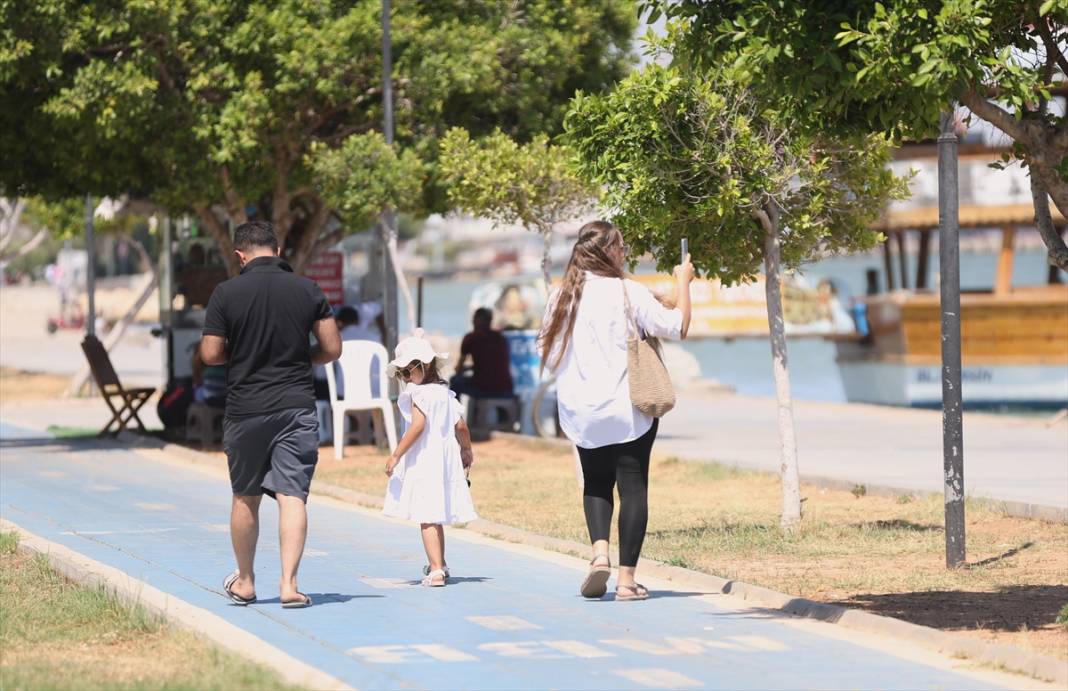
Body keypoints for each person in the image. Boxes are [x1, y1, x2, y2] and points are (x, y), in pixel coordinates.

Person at [538, 220, 693, 601]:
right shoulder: (626, 292)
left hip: (581, 411)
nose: (625, 253)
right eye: (621, 247)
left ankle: (599, 555)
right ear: (607, 251)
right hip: (628, 408)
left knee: (595, 481)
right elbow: (678, 327)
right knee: (633, 486)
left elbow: (547, 353)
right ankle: (626, 581)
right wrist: (684, 282)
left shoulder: (562, 297)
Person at [200, 220, 341, 609]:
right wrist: (302, 357)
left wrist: (243, 354)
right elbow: (332, 347)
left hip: (245, 410)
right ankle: (290, 585)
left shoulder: (226, 293)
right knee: (292, 495)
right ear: (278, 252)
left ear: (240, 255)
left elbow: (211, 354)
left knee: (245, 496)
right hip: (296, 406)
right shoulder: (308, 289)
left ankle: (245, 582)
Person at [382, 330, 477, 587]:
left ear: (421, 367)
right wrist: (466, 449)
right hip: (444, 459)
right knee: (435, 514)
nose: (404, 378)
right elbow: (461, 427)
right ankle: (441, 563)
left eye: (405, 372)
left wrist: (396, 455)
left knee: (426, 516)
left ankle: (435, 569)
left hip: (426, 459)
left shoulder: (418, 395)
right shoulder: (446, 394)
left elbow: (417, 427)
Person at [450, 307, 514, 400]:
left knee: (455, 381)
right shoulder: (501, 338)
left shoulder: (471, 337)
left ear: (476, 320)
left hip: (483, 389)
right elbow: (492, 364)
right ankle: (502, 414)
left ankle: (455, 414)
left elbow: (458, 369)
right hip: (506, 388)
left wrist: (463, 369)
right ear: (490, 321)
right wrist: (472, 367)